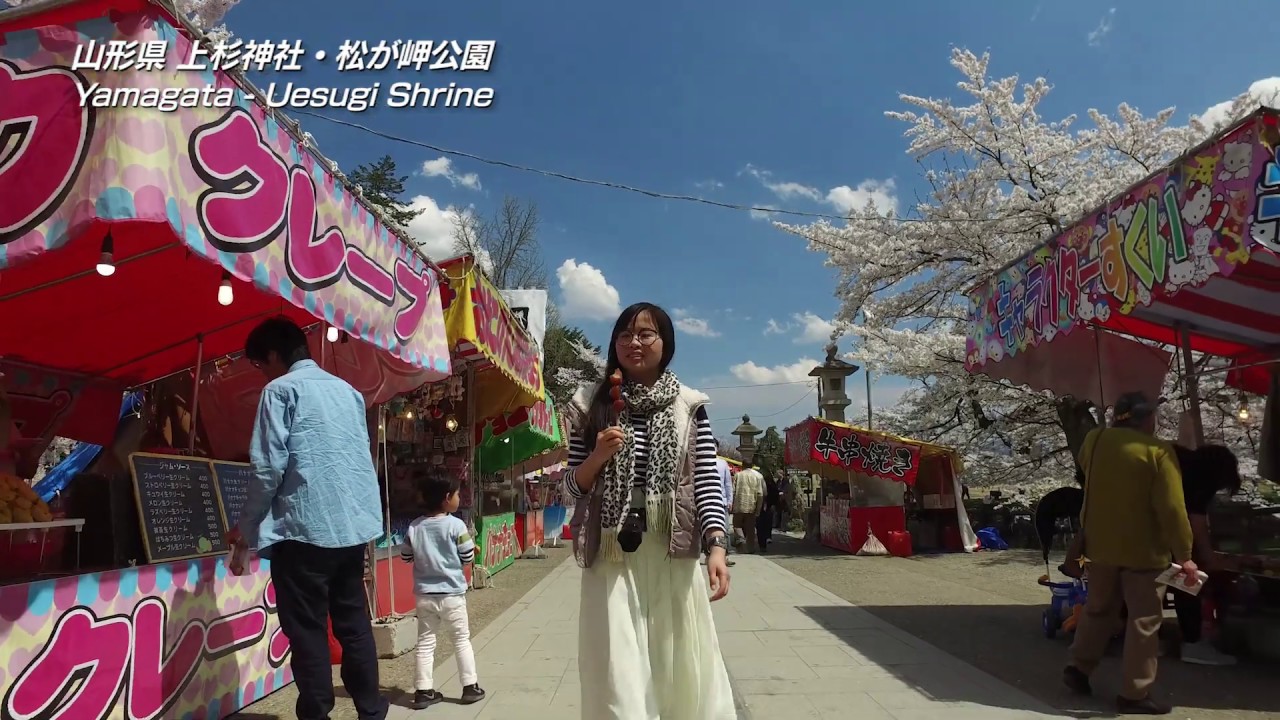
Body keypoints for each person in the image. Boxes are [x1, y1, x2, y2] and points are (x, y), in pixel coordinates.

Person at [563, 302, 736, 719]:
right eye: (624, 335)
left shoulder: (690, 406)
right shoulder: (589, 403)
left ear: (665, 342)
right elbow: (571, 487)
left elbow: (705, 483)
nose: (633, 343)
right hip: (611, 557)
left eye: (645, 334)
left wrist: (716, 545)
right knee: (618, 673)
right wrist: (597, 457)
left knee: (677, 667)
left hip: (670, 553)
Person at [230, 317, 388, 720]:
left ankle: (317, 712)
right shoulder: (349, 393)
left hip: (302, 532)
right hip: (351, 529)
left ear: (273, 355)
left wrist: (246, 529)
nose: (262, 372)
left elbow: (268, 469)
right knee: (354, 624)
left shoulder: (280, 390)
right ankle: (371, 710)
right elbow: (358, 461)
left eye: (259, 363)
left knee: (307, 631)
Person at [1063, 391, 1199, 716]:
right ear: (1147, 419)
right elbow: (1171, 508)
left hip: (1100, 546)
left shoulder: (1095, 440)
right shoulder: (1158, 451)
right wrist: (1185, 554)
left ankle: (1079, 668)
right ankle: (1134, 693)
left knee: (1098, 609)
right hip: (1144, 553)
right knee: (1144, 622)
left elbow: (1085, 463)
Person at [400, 472, 485, 709]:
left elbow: (406, 556)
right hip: (452, 595)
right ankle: (470, 686)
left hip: (425, 596)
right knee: (461, 640)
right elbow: (467, 556)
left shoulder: (415, 526)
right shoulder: (456, 525)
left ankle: (423, 690)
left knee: (426, 642)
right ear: (447, 498)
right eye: (457, 494)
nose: (459, 497)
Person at [1172, 443, 1242, 666]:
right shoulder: (1200, 477)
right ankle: (1193, 642)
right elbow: (1196, 520)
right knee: (1187, 577)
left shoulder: (1179, 462)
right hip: (1160, 533)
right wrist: (1207, 556)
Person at [732, 460, 765, 553]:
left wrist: (732, 503)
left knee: (737, 525)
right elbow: (760, 494)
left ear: (743, 465)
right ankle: (750, 548)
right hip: (752, 506)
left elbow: (733, 491)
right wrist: (758, 508)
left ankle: (741, 540)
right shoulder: (757, 476)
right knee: (750, 528)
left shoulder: (738, 475)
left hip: (739, 505)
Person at [712, 456, 736, 567]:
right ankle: (710, 555)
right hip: (705, 499)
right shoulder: (700, 460)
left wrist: (730, 500)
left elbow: (728, 483)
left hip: (722, 501)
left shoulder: (722, 463)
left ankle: (725, 556)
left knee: (725, 529)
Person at [756, 471, 780, 553]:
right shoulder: (772, 485)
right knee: (767, 523)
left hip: (762, 506)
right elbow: (776, 495)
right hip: (767, 506)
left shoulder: (760, 485)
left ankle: (762, 543)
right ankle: (766, 538)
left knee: (761, 525)